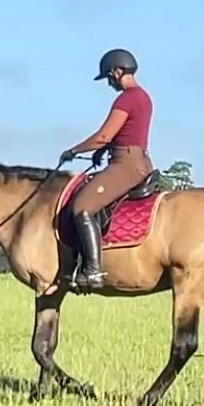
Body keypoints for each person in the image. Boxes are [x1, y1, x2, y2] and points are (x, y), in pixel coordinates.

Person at [59, 48, 154, 289]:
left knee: (82, 207)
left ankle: (93, 271)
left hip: (126, 164)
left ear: (117, 71)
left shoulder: (127, 98)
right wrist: (102, 151)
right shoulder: (143, 97)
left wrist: (74, 151)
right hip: (136, 159)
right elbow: (126, 133)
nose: (109, 82)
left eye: (109, 76)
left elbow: (103, 136)